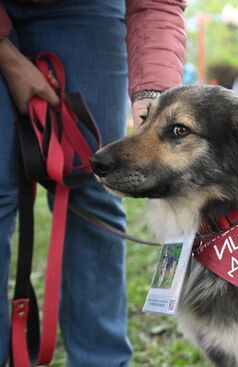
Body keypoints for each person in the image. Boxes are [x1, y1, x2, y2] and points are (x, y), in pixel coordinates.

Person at [0, 1, 186, 366]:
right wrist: (7, 58)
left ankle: (101, 359)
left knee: (94, 188)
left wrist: (154, 93)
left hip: (86, 10)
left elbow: (156, 4)